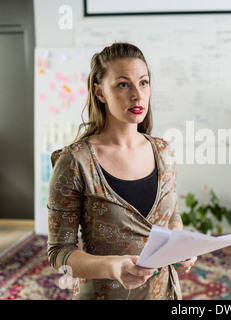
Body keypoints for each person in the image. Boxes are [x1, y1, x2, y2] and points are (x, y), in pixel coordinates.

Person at [47, 42, 196, 300]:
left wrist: (179, 241)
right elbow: (59, 252)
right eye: (123, 84)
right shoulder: (74, 162)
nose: (137, 95)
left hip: (164, 294)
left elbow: (172, 215)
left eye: (144, 83)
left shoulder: (164, 152)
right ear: (100, 92)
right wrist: (113, 267)